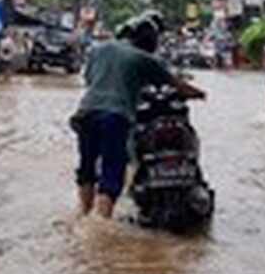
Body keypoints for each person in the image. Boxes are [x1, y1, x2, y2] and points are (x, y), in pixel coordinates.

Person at [70, 12, 206, 219]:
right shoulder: (144, 58)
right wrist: (200, 94)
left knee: (87, 167)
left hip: (86, 113)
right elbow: (178, 86)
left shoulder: (99, 49)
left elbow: (89, 79)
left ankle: (82, 214)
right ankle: (101, 225)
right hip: (115, 116)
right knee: (112, 171)